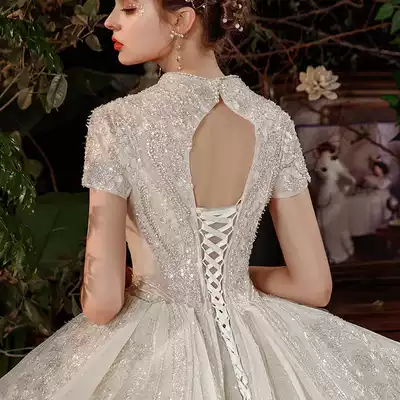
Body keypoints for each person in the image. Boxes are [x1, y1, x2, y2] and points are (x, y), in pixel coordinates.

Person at [1, 0, 399, 398]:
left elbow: (102, 303)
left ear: (181, 20)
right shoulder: (272, 122)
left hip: (154, 346)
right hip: (259, 338)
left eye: (130, 8)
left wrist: (159, 279)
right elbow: (313, 286)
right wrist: (231, 280)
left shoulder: (117, 122)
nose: (109, 21)